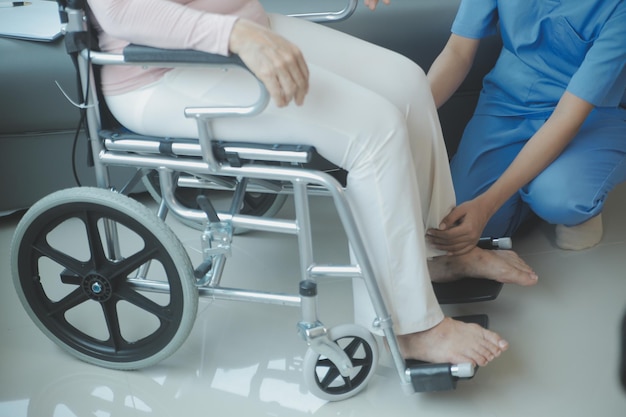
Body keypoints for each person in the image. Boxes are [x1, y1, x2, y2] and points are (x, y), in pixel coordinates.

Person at [87, 0, 538, 367]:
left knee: (407, 84)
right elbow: (121, 12)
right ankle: (406, 329)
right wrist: (237, 36)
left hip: (242, 28)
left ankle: (434, 251)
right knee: (373, 129)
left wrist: (242, 31)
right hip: (161, 69)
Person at [426, 0, 626, 254]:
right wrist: (409, 117)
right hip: (508, 98)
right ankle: (525, 188)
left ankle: (574, 206)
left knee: (559, 197)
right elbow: (457, 52)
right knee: (462, 226)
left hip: (592, 113)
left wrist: (488, 204)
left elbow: (568, 117)